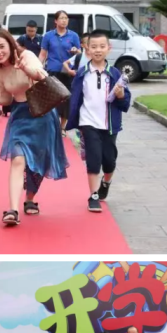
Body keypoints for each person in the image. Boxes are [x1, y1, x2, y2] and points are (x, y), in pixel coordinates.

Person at [0, 28, 69, 225]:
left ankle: (30, 198)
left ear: (10, 45)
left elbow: (42, 76)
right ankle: (13, 210)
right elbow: (6, 98)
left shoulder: (26, 56)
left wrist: (26, 70)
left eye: (1, 46)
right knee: (18, 159)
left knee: (39, 161)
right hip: (20, 116)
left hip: (42, 114)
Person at [66, 30, 131, 213]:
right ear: (87, 49)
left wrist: (121, 95)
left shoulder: (115, 74)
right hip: (88, 123)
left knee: (109, 161)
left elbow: (125, 103)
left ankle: (106, 182)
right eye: (93, 46)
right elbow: (75, 98)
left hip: (109, 125)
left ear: (109, 48)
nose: (98, 50)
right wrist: (72, 121)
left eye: (102, 46)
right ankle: (93, 195)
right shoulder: (82, 74)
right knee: (93, 159)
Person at [39, 10, 81, 132]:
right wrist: (37, 67)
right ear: (56, 21)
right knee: (53, 100)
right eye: (62, 18)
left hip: (68, 72)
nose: (64, 20)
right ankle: (53, 125)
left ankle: (62, 127)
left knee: (66, 100)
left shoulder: (73, 36)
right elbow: (43, 54)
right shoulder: (48, 36)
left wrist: (76, 51)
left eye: (66, 18)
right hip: (53, 71)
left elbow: (80, 54)